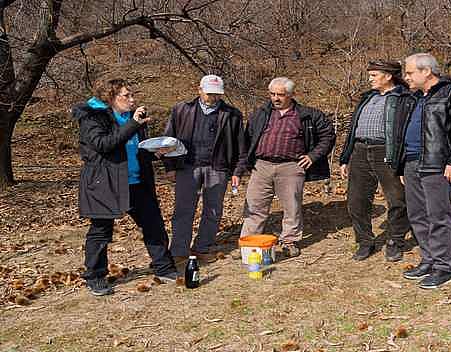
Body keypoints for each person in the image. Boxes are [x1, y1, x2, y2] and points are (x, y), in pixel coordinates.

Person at [73, 78, 178, 296]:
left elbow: (135, 149)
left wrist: (156, 152)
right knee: (101, 231)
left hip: (136, 181)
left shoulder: (133, 118)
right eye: (126, 96)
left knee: (153, 224)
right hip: (105, 183)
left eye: (132, 95)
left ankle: (164, 267)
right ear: (110, 98)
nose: (132, 100)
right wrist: (133, 125)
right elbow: (104, 145)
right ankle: (95, 276)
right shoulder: (93, 117)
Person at [394, 53, 451, 288]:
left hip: (437, 163)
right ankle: (428, 259)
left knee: (438, 216)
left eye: (409, 72)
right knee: (417, 215)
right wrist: (401, 164)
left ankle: (443, 265)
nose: (405, 77)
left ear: (426, 71)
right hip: (411, 162)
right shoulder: (414, 97)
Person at [240, 77, 335, 258]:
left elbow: (328, 136)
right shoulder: (261, 113)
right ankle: (249, 243)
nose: (275, 98)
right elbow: (248, 137)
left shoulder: (308, 115)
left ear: (291, 95)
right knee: (254, 206)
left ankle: (289, 241)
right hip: (261, 166)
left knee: (292, 207)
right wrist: (245, 163)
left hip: (291, 167)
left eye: (280, 95)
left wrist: (313, 156)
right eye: (272, 94)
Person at [162, 75, 247, 271]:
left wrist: (237, 171)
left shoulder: (232, 114)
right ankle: (179, 251)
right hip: (186, 167)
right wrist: (170, 166)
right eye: (210, 93)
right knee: (183, 210)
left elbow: (240, 146)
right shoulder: (181, 110)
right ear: (199, 90)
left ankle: (202, 247)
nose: (213, 97)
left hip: (217, 167)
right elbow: (167, 140)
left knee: (213, 210)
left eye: (217, 94)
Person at [339, 60, 410, 262]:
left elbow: (405, 131)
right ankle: (364, 241)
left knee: (397, 199)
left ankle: (395, 241)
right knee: (356, 201)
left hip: (387, 152)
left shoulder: (404, 98)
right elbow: (352, 129)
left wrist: (403, 160)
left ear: (388, 76)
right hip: (360, 151)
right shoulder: (367, 97)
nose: (369, 79)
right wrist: (345, 158)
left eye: (374, 75)